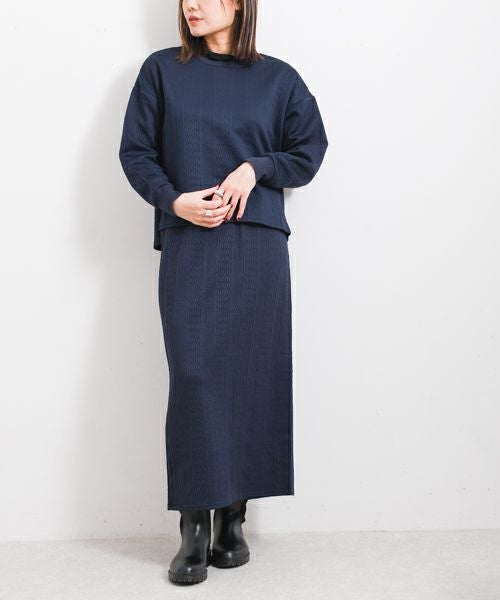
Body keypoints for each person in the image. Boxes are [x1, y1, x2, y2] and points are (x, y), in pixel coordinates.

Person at [119, 0, 328, 586]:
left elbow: (309, 151)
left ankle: (233, 520)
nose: (191, 4)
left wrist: (256, 167)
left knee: (253, 374)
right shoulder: (162, 71)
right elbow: (136, 152)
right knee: (194, 377)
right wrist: (174, 201)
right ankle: (193, 527)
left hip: (258, 246)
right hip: (191, 240)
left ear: (238, 4)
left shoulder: (279, 79)